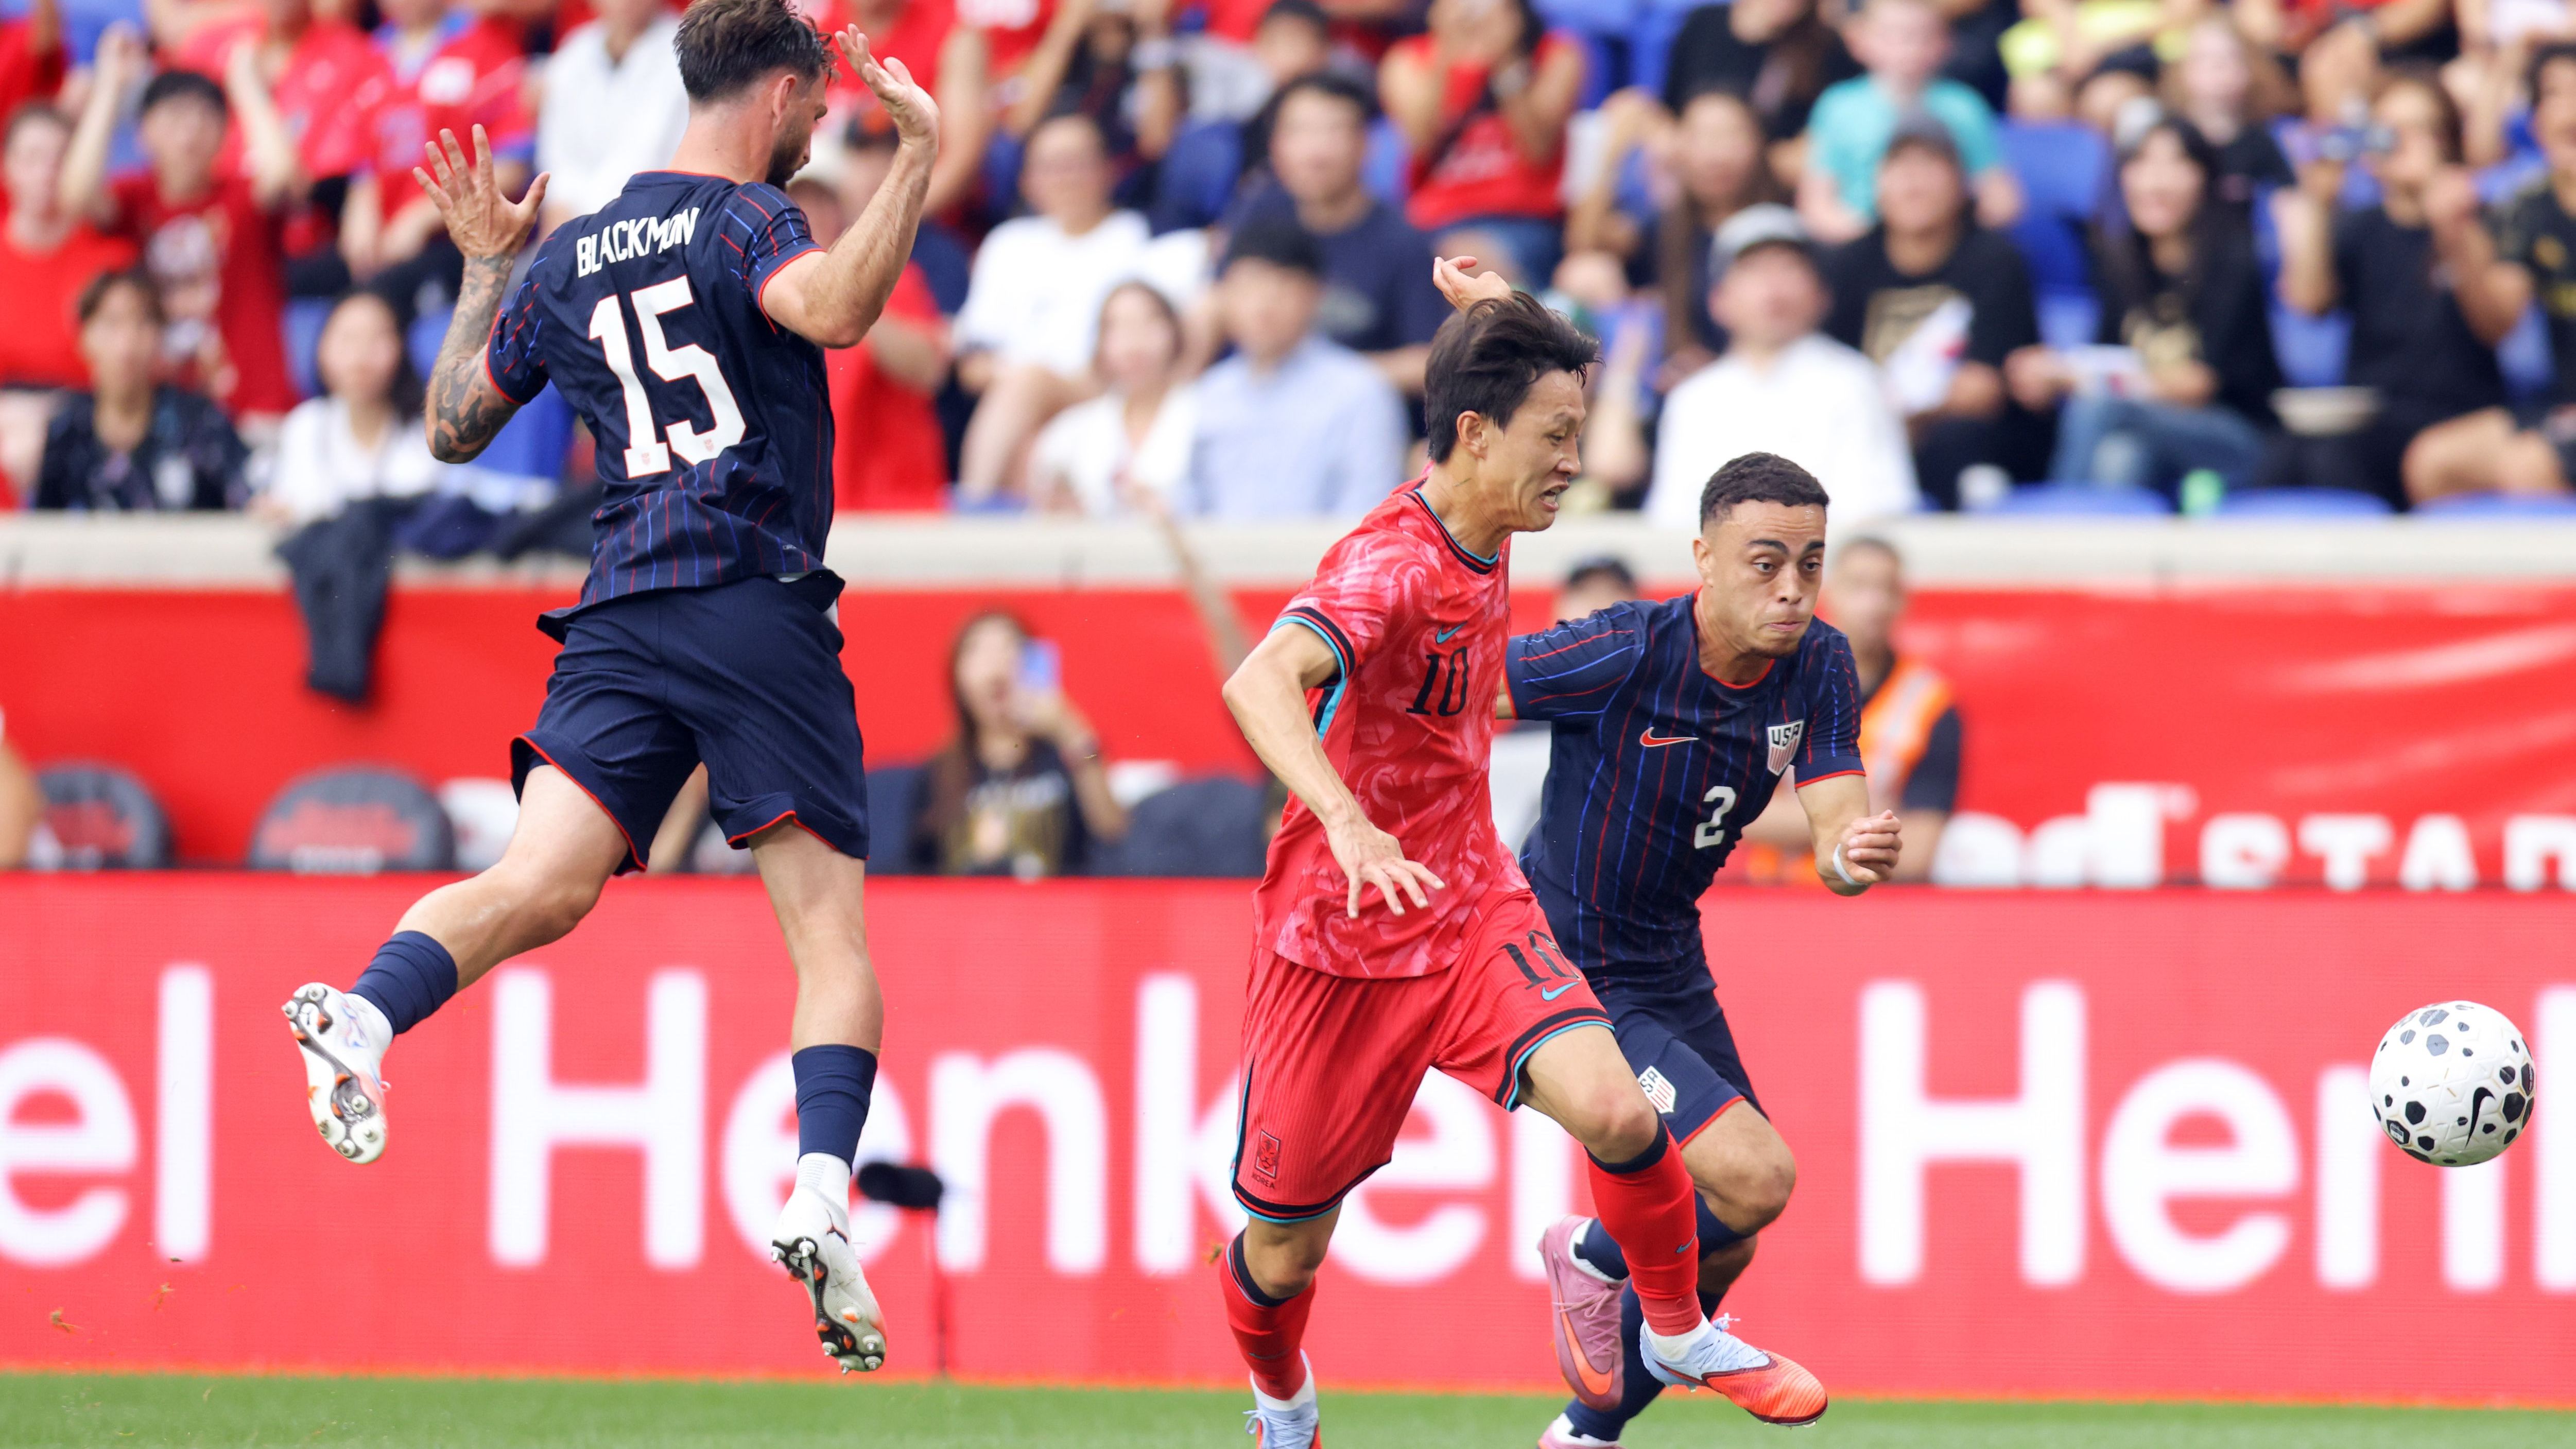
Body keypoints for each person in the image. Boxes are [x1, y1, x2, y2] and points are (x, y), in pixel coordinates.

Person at [275, 0, 943, 1380]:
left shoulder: (573, 251)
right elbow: (838, 309)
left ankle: (365, 1010)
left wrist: (482, 269)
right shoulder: (750, 221)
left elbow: (455, 427)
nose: (824, 126)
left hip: (621, 613)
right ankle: (821, 1184)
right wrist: (919, 161)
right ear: (774, 93)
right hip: (754, 600)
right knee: (828, 939)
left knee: (540, 882)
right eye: (818, 107)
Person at [1213, 274, 1828, 1449]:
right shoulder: (1389, 569)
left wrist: (1506, 308)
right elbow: (1257, 682)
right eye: (1554, 439)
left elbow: (1514, 382)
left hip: (1466, 901)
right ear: (1474, 435)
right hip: (1337, 939)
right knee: (1284, 1251)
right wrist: (1343, 820)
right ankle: (1283, 1409)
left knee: (1613, 1109)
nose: (1572, 462)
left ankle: (1674, 1328)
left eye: (1577, 435)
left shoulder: (1487, 517)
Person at [1505, 453, 1897, 1449]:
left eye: (1809, 563)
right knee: (1755, 1177)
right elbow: (1461, 694)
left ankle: (1585, 1431)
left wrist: (1852, 857)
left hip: (1668, 956)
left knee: (1725, 1236)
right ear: (1702, 559)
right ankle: (1591, 1250)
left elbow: (1835, 839)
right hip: (1568, 958)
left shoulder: (1819, 662)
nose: (1791, 588)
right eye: (1765, 562)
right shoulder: (1624, 649)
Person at [2007, 113, 2281, 499]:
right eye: (2141, 163)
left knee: (2099, 409)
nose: (2156, 181)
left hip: (2236, 435)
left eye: (2175, 164)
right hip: (2148, 428)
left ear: (2205, 177)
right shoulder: (2120, 262)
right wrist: (2050, 374)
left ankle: (2061, 523)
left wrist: (2075, 378)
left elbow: (2197, 384)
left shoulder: (2234, 259)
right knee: (2123, 456)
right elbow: (2105, 356)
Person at [2275, 68, 2503, 507]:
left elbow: (2493, 326)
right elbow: (2308, 301)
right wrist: (2320, 204)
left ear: (2446, 141)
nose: (2399, 143)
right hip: (2370, 411)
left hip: (2453, 414)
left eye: (2419, 129)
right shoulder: (2361, 226)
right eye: (2389, 131)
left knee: (2334, 462)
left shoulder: (2477, 218)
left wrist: (2451, 224)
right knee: (2285, 459)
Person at [61, 27, 302, 420]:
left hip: (254, 409)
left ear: (225, 134)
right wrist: (109, 85)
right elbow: (75, 195)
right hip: (163, 416)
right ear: (143, 135)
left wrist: (245, 84)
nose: (189, 134)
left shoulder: (241, 199)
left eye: (204, 120)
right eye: (173, 119)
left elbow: (283, 177)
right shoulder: (134, 199)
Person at [1646, 204, 1919, 528]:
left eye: (1789, 269)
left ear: (1822, 295)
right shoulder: (1693, 399)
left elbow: (1878, 511)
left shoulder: (1857, 382)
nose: (1774, 289)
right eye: (1754, 270)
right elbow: (1673, 519)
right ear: (1718, 300)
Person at [1822, 114, 2039, 508]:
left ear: (1961, 185)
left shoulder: (1996, 262)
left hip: (1964, 441)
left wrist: (1902, 417)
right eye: (1900, 167)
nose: (1914, 183)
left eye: (1930, 166)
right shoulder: (1847, 266)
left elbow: (1980, 390)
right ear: (1877, 184)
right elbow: (1829, 376)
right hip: (1868, 435)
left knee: (1957, 439)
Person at [2402, 42, 2576, 503]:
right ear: (2535, 121)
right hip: (2560, 407)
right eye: (2554, 95)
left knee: (2530, 466)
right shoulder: (2528, 208)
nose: (2569, 109)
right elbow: (2499, 323)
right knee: (2433, 462)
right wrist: (2457, 237)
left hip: (2555, 435)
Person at [950, 110, 1150, 501]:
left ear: (1109, 169)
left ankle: (971, 508)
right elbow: (972, 366)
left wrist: (1032, 383)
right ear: (1027, 181)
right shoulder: (1007, 245)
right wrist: (1027, 386)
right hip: (1014, 401)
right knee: (1026, 436)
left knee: (1028, 389)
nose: (1066, 177)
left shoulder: (1135, 238)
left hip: (1101, 389)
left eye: (1078, 163)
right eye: (1051, 166)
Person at [1737, 534, 1957, 883]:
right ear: (1828, 591)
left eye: (1885, 589)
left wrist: (1795, 817)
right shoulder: (1770, 682)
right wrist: (1859, 814)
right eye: (1858, 587)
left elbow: (1917, 851)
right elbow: (1735, 814)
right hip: (1772, 894)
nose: (1873, 603)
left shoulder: (1930, 703)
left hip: (1870, 905)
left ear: (1902, 600)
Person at [1223, 72, 1449, 393]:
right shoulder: (1258, 211)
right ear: (1276, 146)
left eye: (1333, 131)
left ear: (1365, 145)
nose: (1316, 153)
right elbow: (1220, 298)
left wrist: (1322, 379)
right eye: (1300, 131)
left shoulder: (1402, 242)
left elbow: (1427, 361)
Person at [1178, 217, 1407, 518]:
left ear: (1317, 294)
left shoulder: (1361, 392)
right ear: (1224, 295)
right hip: (1221, 563)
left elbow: (1370, 515)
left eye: (1281, 288)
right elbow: (1190, 508)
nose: (1262, 306)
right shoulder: (1207, 395)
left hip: (1324, 563)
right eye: (1247, 287)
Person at [341, 0, 532, 319]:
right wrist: (359, 215)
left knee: (375, 303)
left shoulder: (486, 45)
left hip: (463, 243)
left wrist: (424, 218)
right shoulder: (370, 55)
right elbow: (363, 165)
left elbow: (511, 168)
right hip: (386, 243)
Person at [908, 610, 1129, 875]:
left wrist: (1073, 733)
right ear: (958, 679)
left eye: (1010, 647)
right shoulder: (940, 772)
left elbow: (1112, 827)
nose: (996, 662)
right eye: (978, 651)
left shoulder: (1061, 759)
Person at [1380, 0, 1586, 280]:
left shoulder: (1555, 53)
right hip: (1435, 221)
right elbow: (1422, 142)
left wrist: (1506, 61)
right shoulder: (1408, 58)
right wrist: (1446, 50)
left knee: (1458, 260)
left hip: (1523, 222)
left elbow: (1539, 150)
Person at [1797, 0, 2020, 243]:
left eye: (1922, 35)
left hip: (1946, 241)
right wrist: (1863, 239)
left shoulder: (1964, 107)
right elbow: (1816, 202)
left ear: (1946, 41)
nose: (1909, 48)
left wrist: (1958, 235)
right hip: (1862, 243)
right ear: (1859, 40)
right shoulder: (1837, 106)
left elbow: (1999, 196)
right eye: (1893, 35)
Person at [33, 268, 248, 511]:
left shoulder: (200, 422)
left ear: (160, 335)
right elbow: (45, 524)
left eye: (142, 323)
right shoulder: (67, 429)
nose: (127, 343)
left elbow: (247, 494)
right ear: (85, 336)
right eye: (112, 323)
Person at [826, 120, 952, 511]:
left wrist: (849, 296)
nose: (873, 172)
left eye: (886, 160)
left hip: (894, 505)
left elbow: (929, 368)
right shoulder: (772, 285)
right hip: (814, 511)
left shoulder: (904, 274)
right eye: (861, 159)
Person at [258, 290, 451, 525]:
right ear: (321, 347)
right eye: (348, 339)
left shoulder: (426, 433)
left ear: (402, 348)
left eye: (377, 339)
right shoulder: (305, 425)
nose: (361, 358)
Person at [1028, 280, 1197, 512]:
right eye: (1120, 327)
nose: (1135, 342)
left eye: (1149, 322)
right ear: (1100, 344)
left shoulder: (1208, 418)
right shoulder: (1068, 434)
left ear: (1174, 332)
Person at [1, 104, 135, 392]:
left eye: (61, 159)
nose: (46, 173)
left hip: (85, 421)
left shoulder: (114, 263)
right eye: (31, 158)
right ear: (6, 166)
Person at [534, 0, 689, 231]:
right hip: (570, 228)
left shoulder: (685, 51)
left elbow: (652, 154)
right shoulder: (573, 53)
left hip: (648, 227)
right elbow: (558, 158)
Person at [1662, 0, 1861, 152]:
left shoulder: (1825, 47)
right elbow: (1669, 109)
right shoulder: (1704, 24)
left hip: (1767, 171)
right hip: (1696, 150)